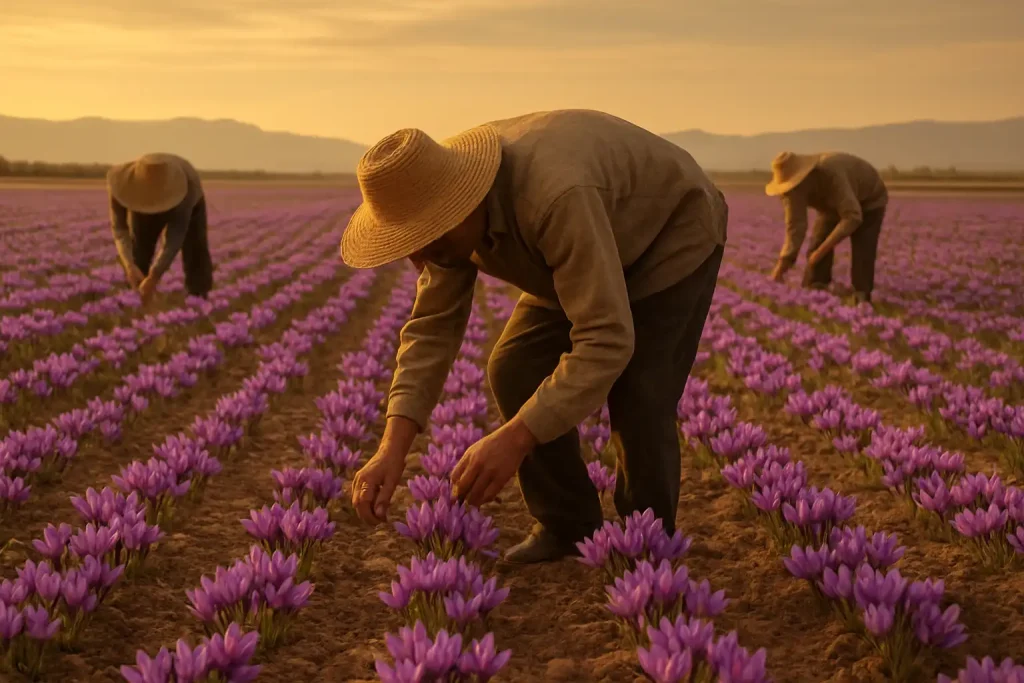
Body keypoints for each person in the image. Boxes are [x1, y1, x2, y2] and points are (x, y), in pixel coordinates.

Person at [340, 109, 728, 564]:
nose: (421, 257)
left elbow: (605, 338)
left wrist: (517, 437)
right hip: (582, 240)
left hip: (669, 233)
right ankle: (567, 524)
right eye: (410, 243)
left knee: (640, 390)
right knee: (514, 365)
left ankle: (645, 541)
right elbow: (431, 328)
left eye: (427, 238)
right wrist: (392, 449)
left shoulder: (552, 197)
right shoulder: (442, 221)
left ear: (464, 202)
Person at [765, 151, 888, 303]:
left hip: (870, 200)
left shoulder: (831, 174)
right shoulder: (792, 192)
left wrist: (821, 251)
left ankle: (862, 297)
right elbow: (795, 226)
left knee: (863, 248)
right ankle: (815, 291)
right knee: (817, 242)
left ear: (804, 178)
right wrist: (783, 264)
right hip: (831, 207)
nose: (791, 192)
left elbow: (852, 217)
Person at [106, 153, 214, 305]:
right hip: (140, 197)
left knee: (195, 249)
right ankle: (134, 300)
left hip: (185, 201)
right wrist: (129, 265)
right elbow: (119, 228)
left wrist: (154, 276)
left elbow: (175, 238)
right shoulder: (121, 185)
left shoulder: (187, 187)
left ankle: (198, 299)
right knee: (140, 250)